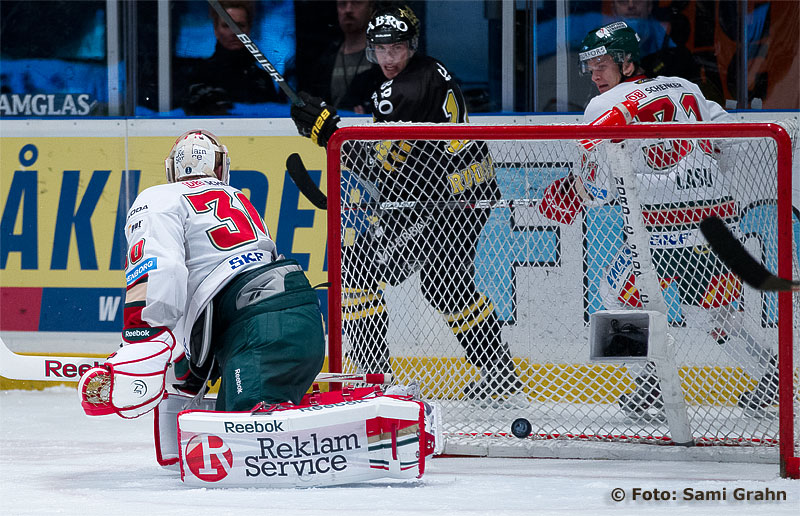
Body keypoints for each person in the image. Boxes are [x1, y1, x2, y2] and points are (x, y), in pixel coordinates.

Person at [539, 21, 779, 418]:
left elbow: (597, 191)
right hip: (717, 226)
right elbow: (726, 140)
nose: (595, 74)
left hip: (660, 236)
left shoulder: (603, 106)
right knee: (714, 316)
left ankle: (652, 378)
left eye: (602, 63)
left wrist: (571, 194)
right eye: (589, 66)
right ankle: (767, 369)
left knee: (616, 297)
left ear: (627, 61)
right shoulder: (687, 87)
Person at [290, 4, 524, 400]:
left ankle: (373, 380)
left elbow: (379, 167)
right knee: (445, 284)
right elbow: (400, 163)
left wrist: (328, 133)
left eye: (397, 48)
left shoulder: (399, 92)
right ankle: (500, 371)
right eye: (381, 49)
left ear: (410, 46)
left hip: (442, 203)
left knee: (357, 265)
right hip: (470, 190)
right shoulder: (433, 69)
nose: (389, 58)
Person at [78, 130, 325, 418]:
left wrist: (142, 336)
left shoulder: (159, 197)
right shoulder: (237, 198)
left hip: (257, 330)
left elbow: (161, 267)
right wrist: (189, 371)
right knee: (240, 427)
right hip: (302, 319)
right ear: (220, 166)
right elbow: (220, 296)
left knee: (246, 441)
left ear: (171, 169)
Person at [177, 1, 282, 115]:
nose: (234, 32)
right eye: (226, 25)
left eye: (240, 25)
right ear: (216, 30)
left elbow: (273, 118)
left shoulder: (261, 79)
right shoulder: (199, 75)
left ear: (249, 29)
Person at [303, 0, 383, 113]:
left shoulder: (386, 56)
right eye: (342, 4)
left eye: (357, 3)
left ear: (371, 8)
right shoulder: (325, 58)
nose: (348, 10)